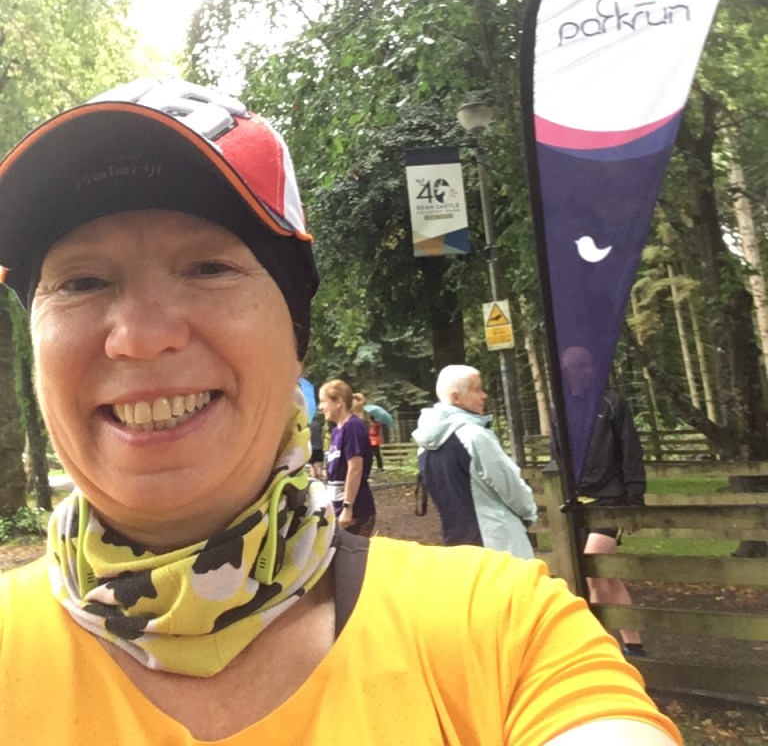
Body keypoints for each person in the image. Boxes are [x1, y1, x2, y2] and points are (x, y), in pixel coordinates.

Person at [0, 78, 681, 745]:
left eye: (208, 267)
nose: (141, 337)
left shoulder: (500, 632)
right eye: (81, 281)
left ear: (296, 336)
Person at [561, 345, 647, 657]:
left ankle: (597, 648)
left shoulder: (612, 403)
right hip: (577, 503)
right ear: (566, 372)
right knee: (607, 575)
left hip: (610, 500)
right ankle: (633, 643)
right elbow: (558, 455)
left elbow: (630, 449)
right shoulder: (562, 409)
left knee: (593, 568)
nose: (587, 371)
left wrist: (634, 499)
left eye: (589, 364)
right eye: (579, 366)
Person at [413, 365, 538, 560]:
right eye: (477, 389)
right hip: (498, 544)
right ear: (456, 397)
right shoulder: (475, 436)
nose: (484, 395)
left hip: (457, 545)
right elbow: (509, 485)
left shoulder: (424, 446)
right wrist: (529, 513)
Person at [318, 380, 376, 536]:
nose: (320, 407)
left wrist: (347, 508)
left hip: (354, 512)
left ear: (338, 402)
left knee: (349, 552)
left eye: (323, 401)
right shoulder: (337, 430)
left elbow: (355, 469)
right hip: (336, 508)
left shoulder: (353, 427)